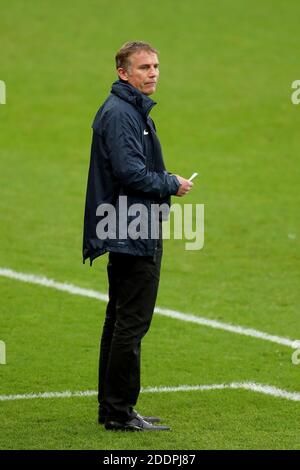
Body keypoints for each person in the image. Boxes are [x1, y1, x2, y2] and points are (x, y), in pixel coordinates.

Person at [83, 41, 193, 431]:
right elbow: (131, 173)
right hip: (131, 229)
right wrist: (171, 183)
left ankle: (113, 408)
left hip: (128, 225)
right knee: (130, 322)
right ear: (123, 72)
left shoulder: (128, 110)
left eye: (156, 66)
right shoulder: (121, 114)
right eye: (144, 67)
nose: (153, 73)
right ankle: (119, 412)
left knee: (119, 320)